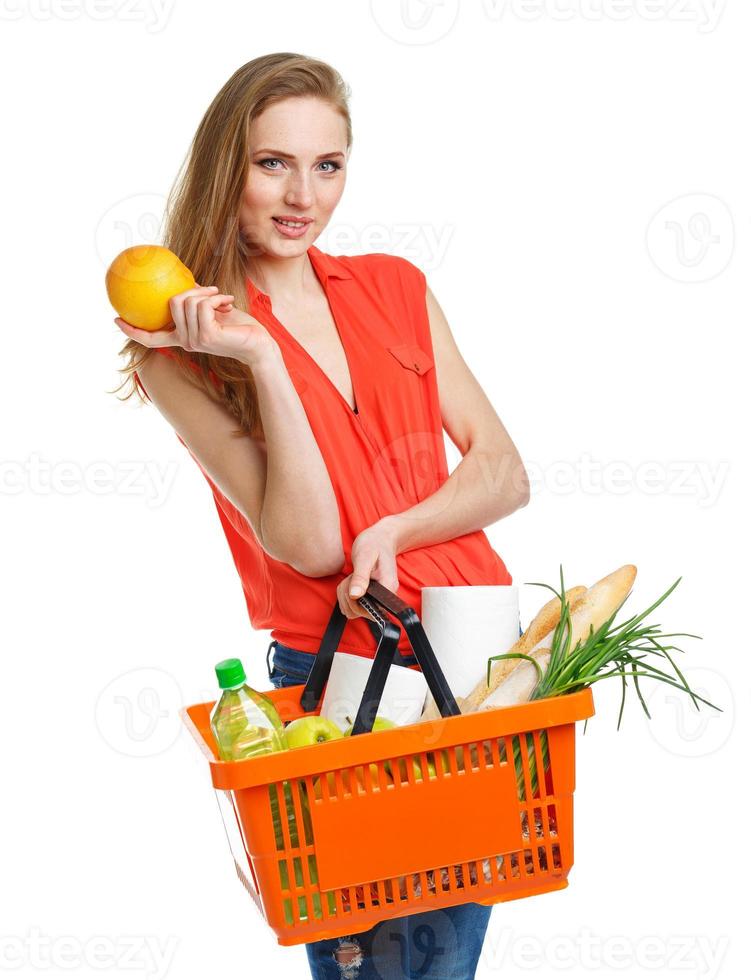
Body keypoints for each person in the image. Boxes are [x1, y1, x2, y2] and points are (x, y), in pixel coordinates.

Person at [113, 52, 529, 980]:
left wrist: (395, 531)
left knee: (440, 964)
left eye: (327, 165)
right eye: (273, 164)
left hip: (474, 662)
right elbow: (303, 544)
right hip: (348, 675)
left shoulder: (395, 288)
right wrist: (261, 356)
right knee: (383, 969)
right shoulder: (181, 358)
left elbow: (503, 473)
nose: (303, 195)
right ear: (229, 166)